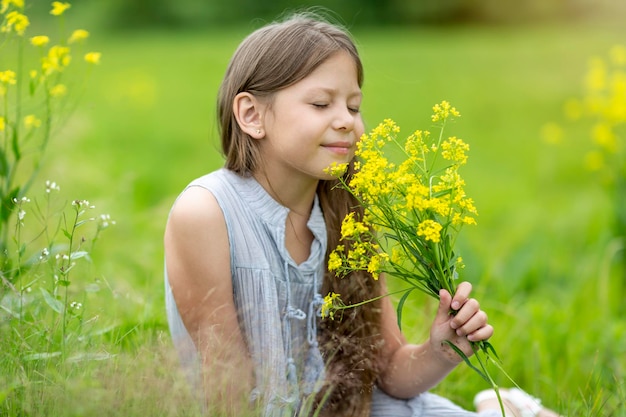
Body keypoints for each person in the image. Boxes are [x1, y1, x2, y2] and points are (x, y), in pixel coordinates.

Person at [163, 12, 562, 417]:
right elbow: (227, 387)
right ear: (251, 115)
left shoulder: (347, 214)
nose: (346, 122)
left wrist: (441, 350)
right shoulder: (207, 213)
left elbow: (389, 372)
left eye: (354, 107)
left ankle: (504, 407)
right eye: (321, 104)